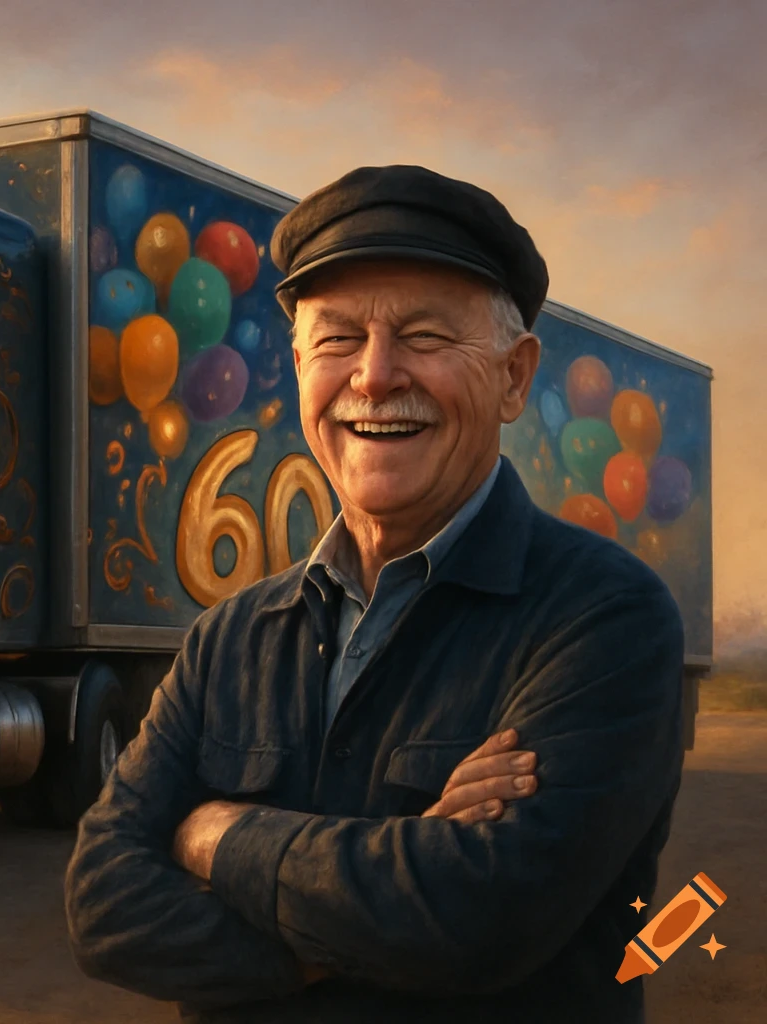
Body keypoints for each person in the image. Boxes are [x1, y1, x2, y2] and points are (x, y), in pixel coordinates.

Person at [64, 165, 685, 1023]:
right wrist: (389, 895)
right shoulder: (229, 638)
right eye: (338, 339)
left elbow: (478, 919)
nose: (375, 375)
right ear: (298, 367)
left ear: (513, 377)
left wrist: (213, 834)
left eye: (425, 335)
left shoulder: (605, 620)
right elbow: (102, 903)